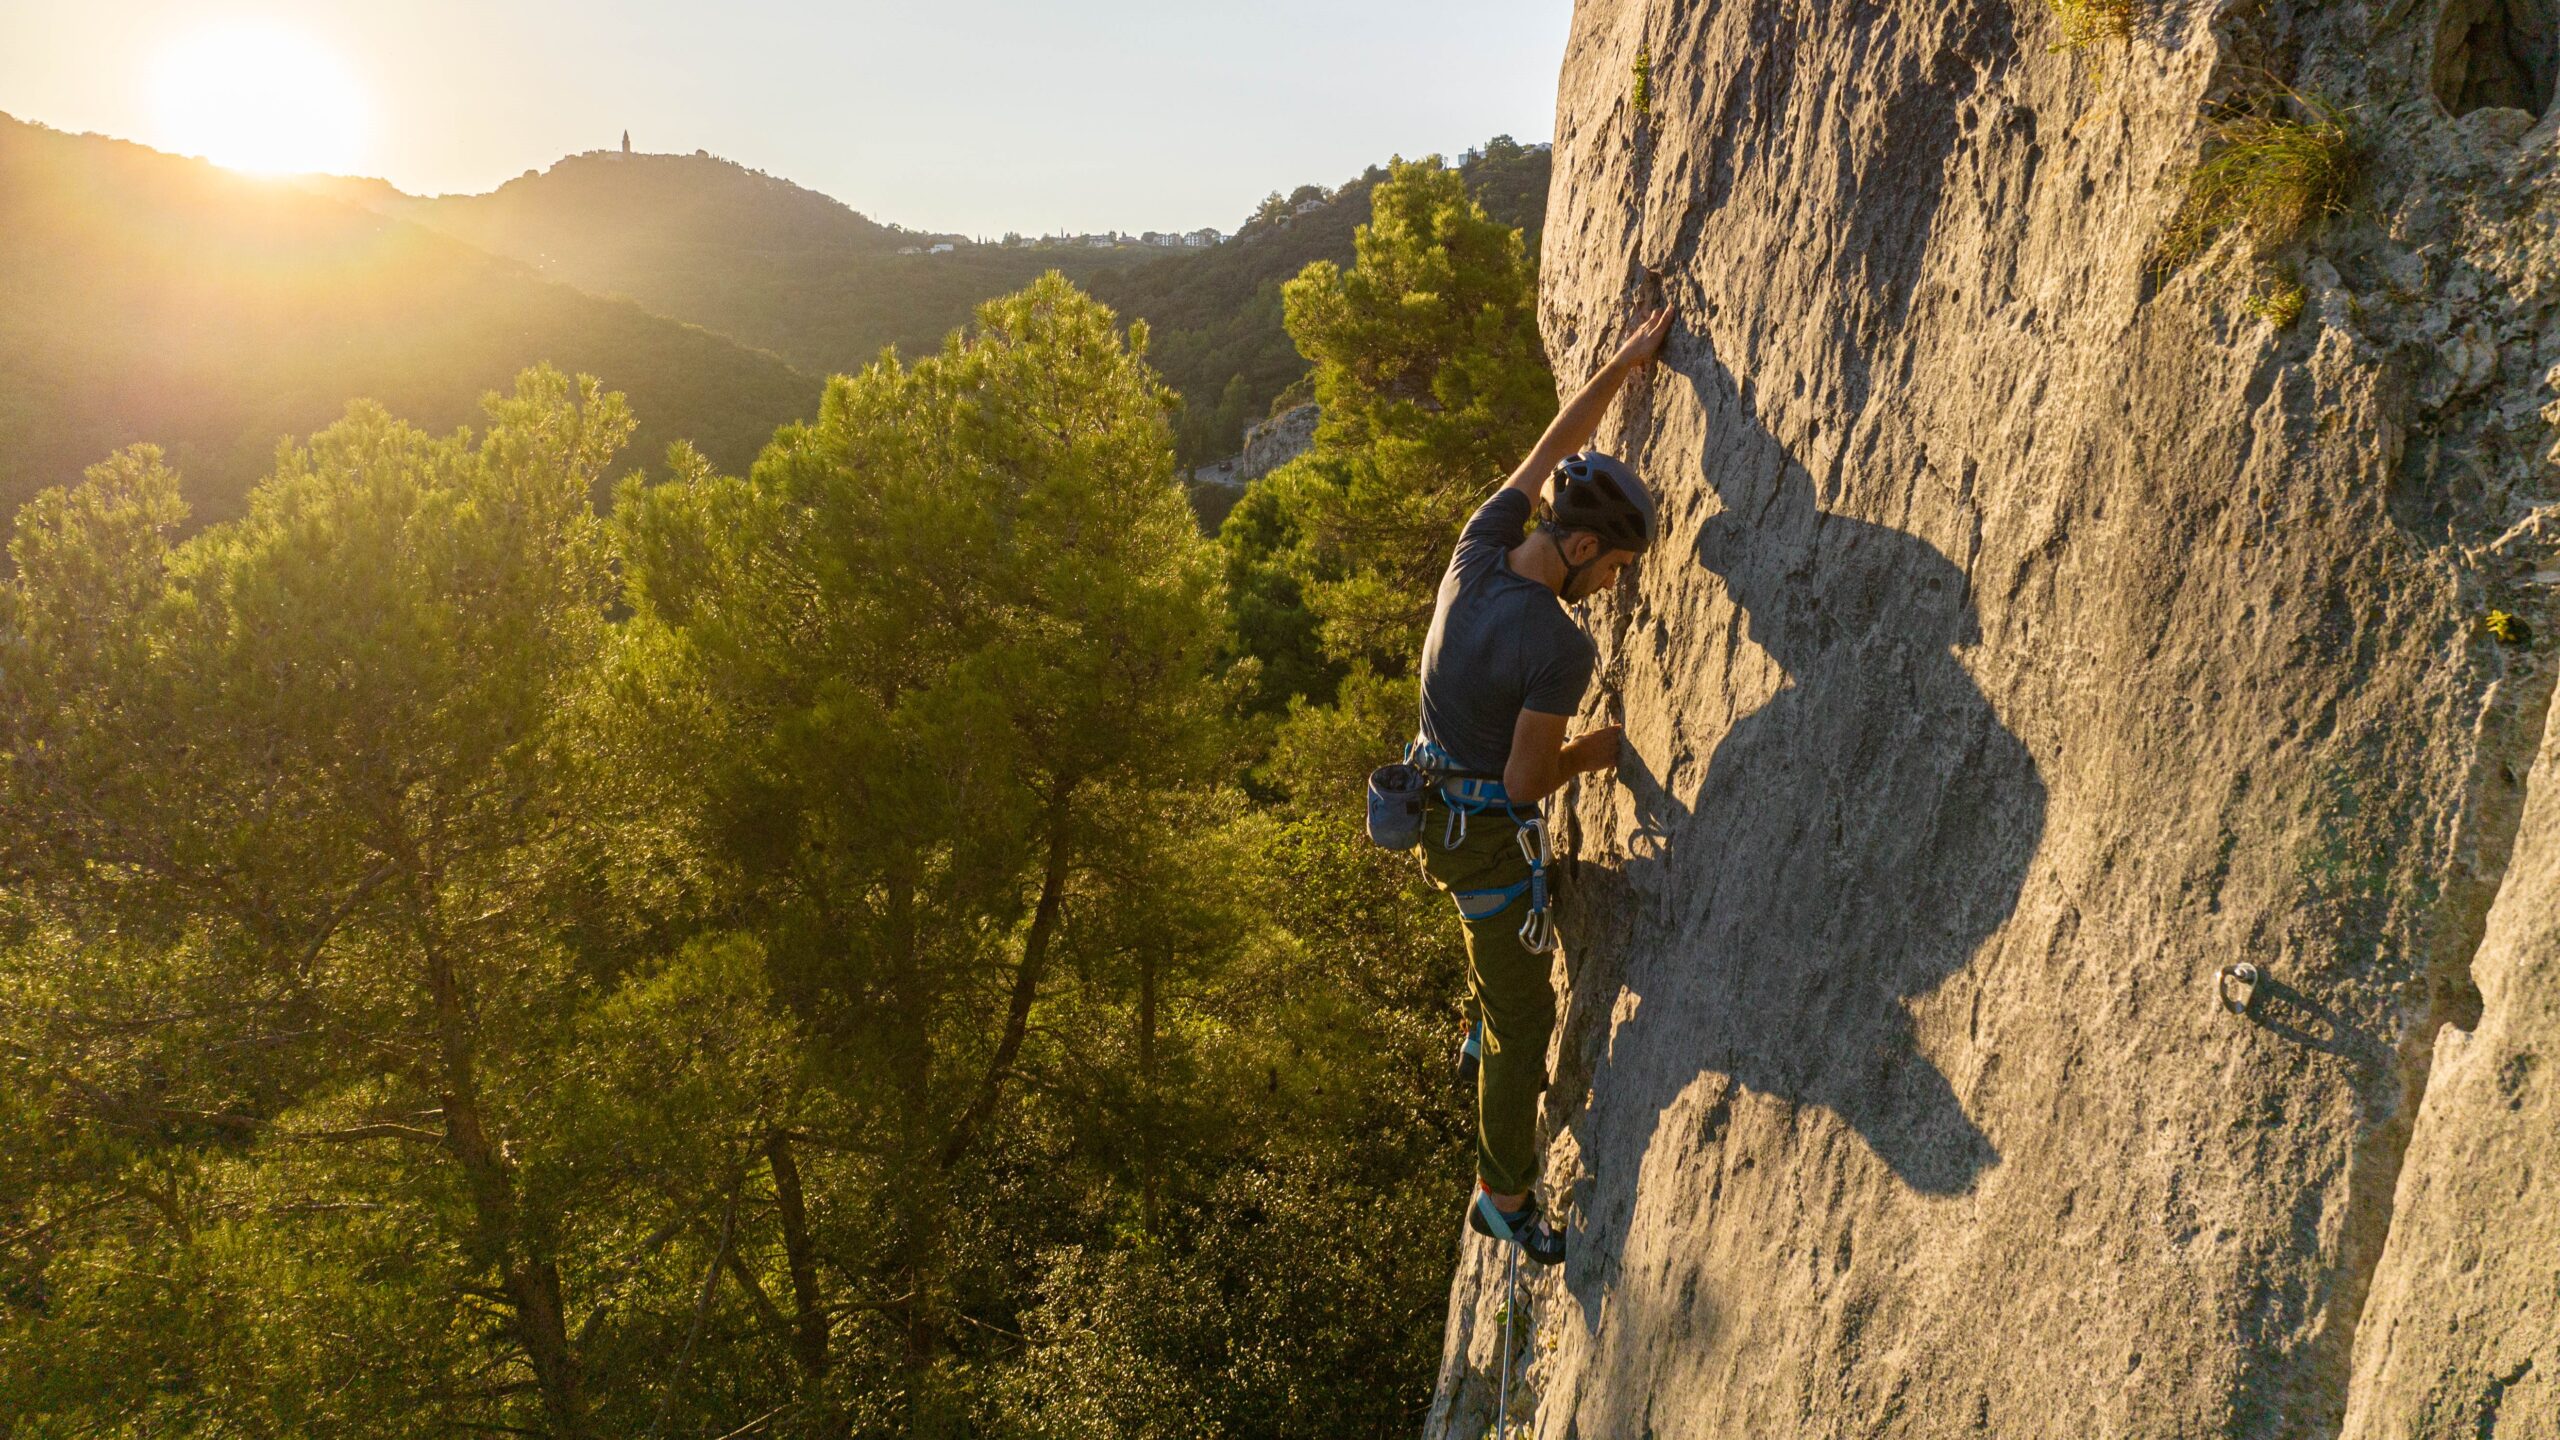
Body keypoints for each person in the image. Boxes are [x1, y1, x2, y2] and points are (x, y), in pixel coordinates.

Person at [1411, 303, 1673, 1266]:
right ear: (1578, 549)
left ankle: (1484, 1016)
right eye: (1614, 569)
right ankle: (1503, 1194)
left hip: (1430, 798)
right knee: (1527, 1020)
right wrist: (1597, 753)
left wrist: (1620, 365)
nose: (1613, 585)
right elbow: (1525, 784)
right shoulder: (1557, 645)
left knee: (1497, 972)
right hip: (1479, 834)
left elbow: (1550, 441)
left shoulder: (1478, 547)